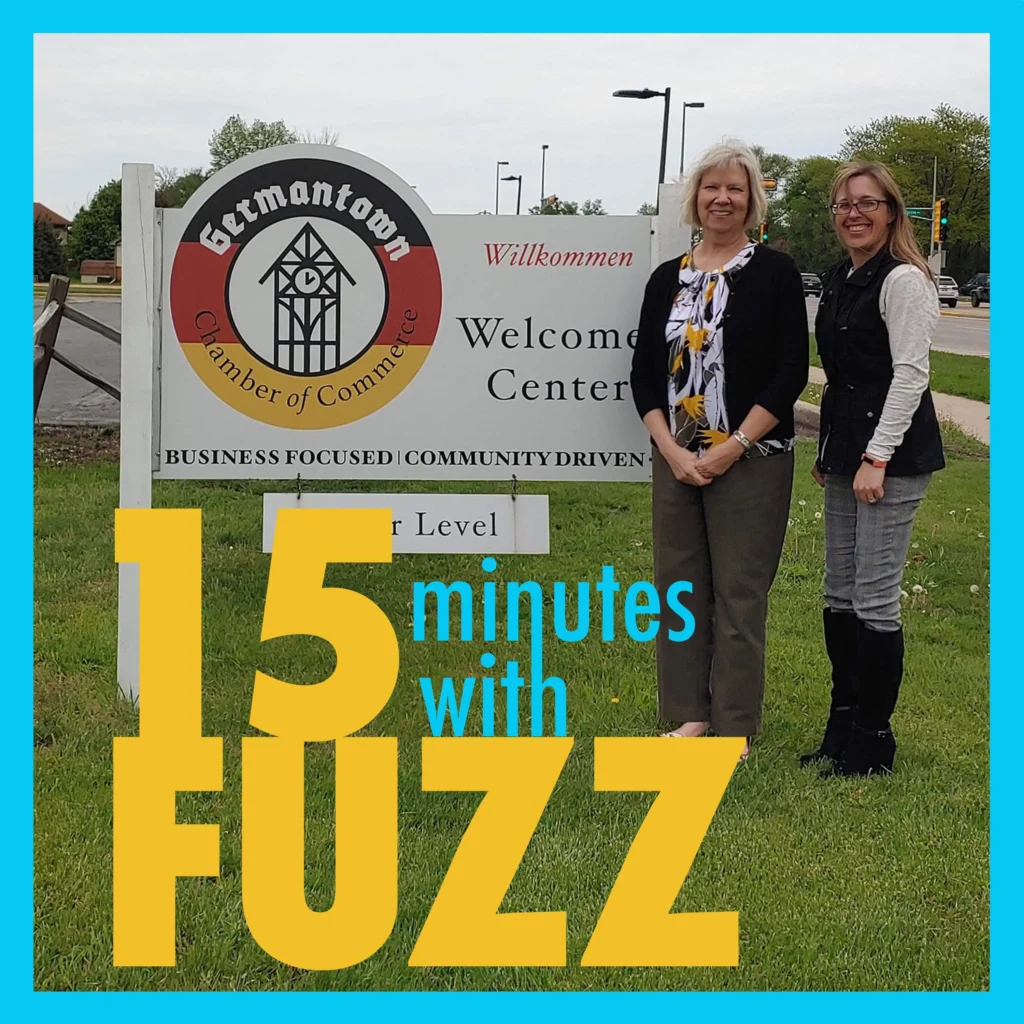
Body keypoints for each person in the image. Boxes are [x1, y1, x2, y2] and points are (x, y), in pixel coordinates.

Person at [629, 140, 809, 761]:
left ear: (753, 201)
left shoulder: (775, 274)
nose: (723, 198)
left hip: (751, 459)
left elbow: (790, 373)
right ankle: (687, 717)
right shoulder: (665, 279)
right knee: (678, 588)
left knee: (739, 593)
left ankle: (733, 727)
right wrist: (673, 453)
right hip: (677, 458)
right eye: (712, 187)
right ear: (695, 199)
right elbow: (643, 378)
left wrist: (732, 447)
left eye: (736, 188)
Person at [803, 160, 945, 777]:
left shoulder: (904, 281)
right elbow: (843, 381)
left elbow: (910, 375)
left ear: (891, 211)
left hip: (890, 457)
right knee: (839, 595)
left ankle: (872, 740)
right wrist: (830, 450)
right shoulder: (840, 277)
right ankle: (841, 725)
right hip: (845, 454)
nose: (853, 214)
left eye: (867, 203)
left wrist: (876, 457)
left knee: (875, 600)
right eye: (843, 205)